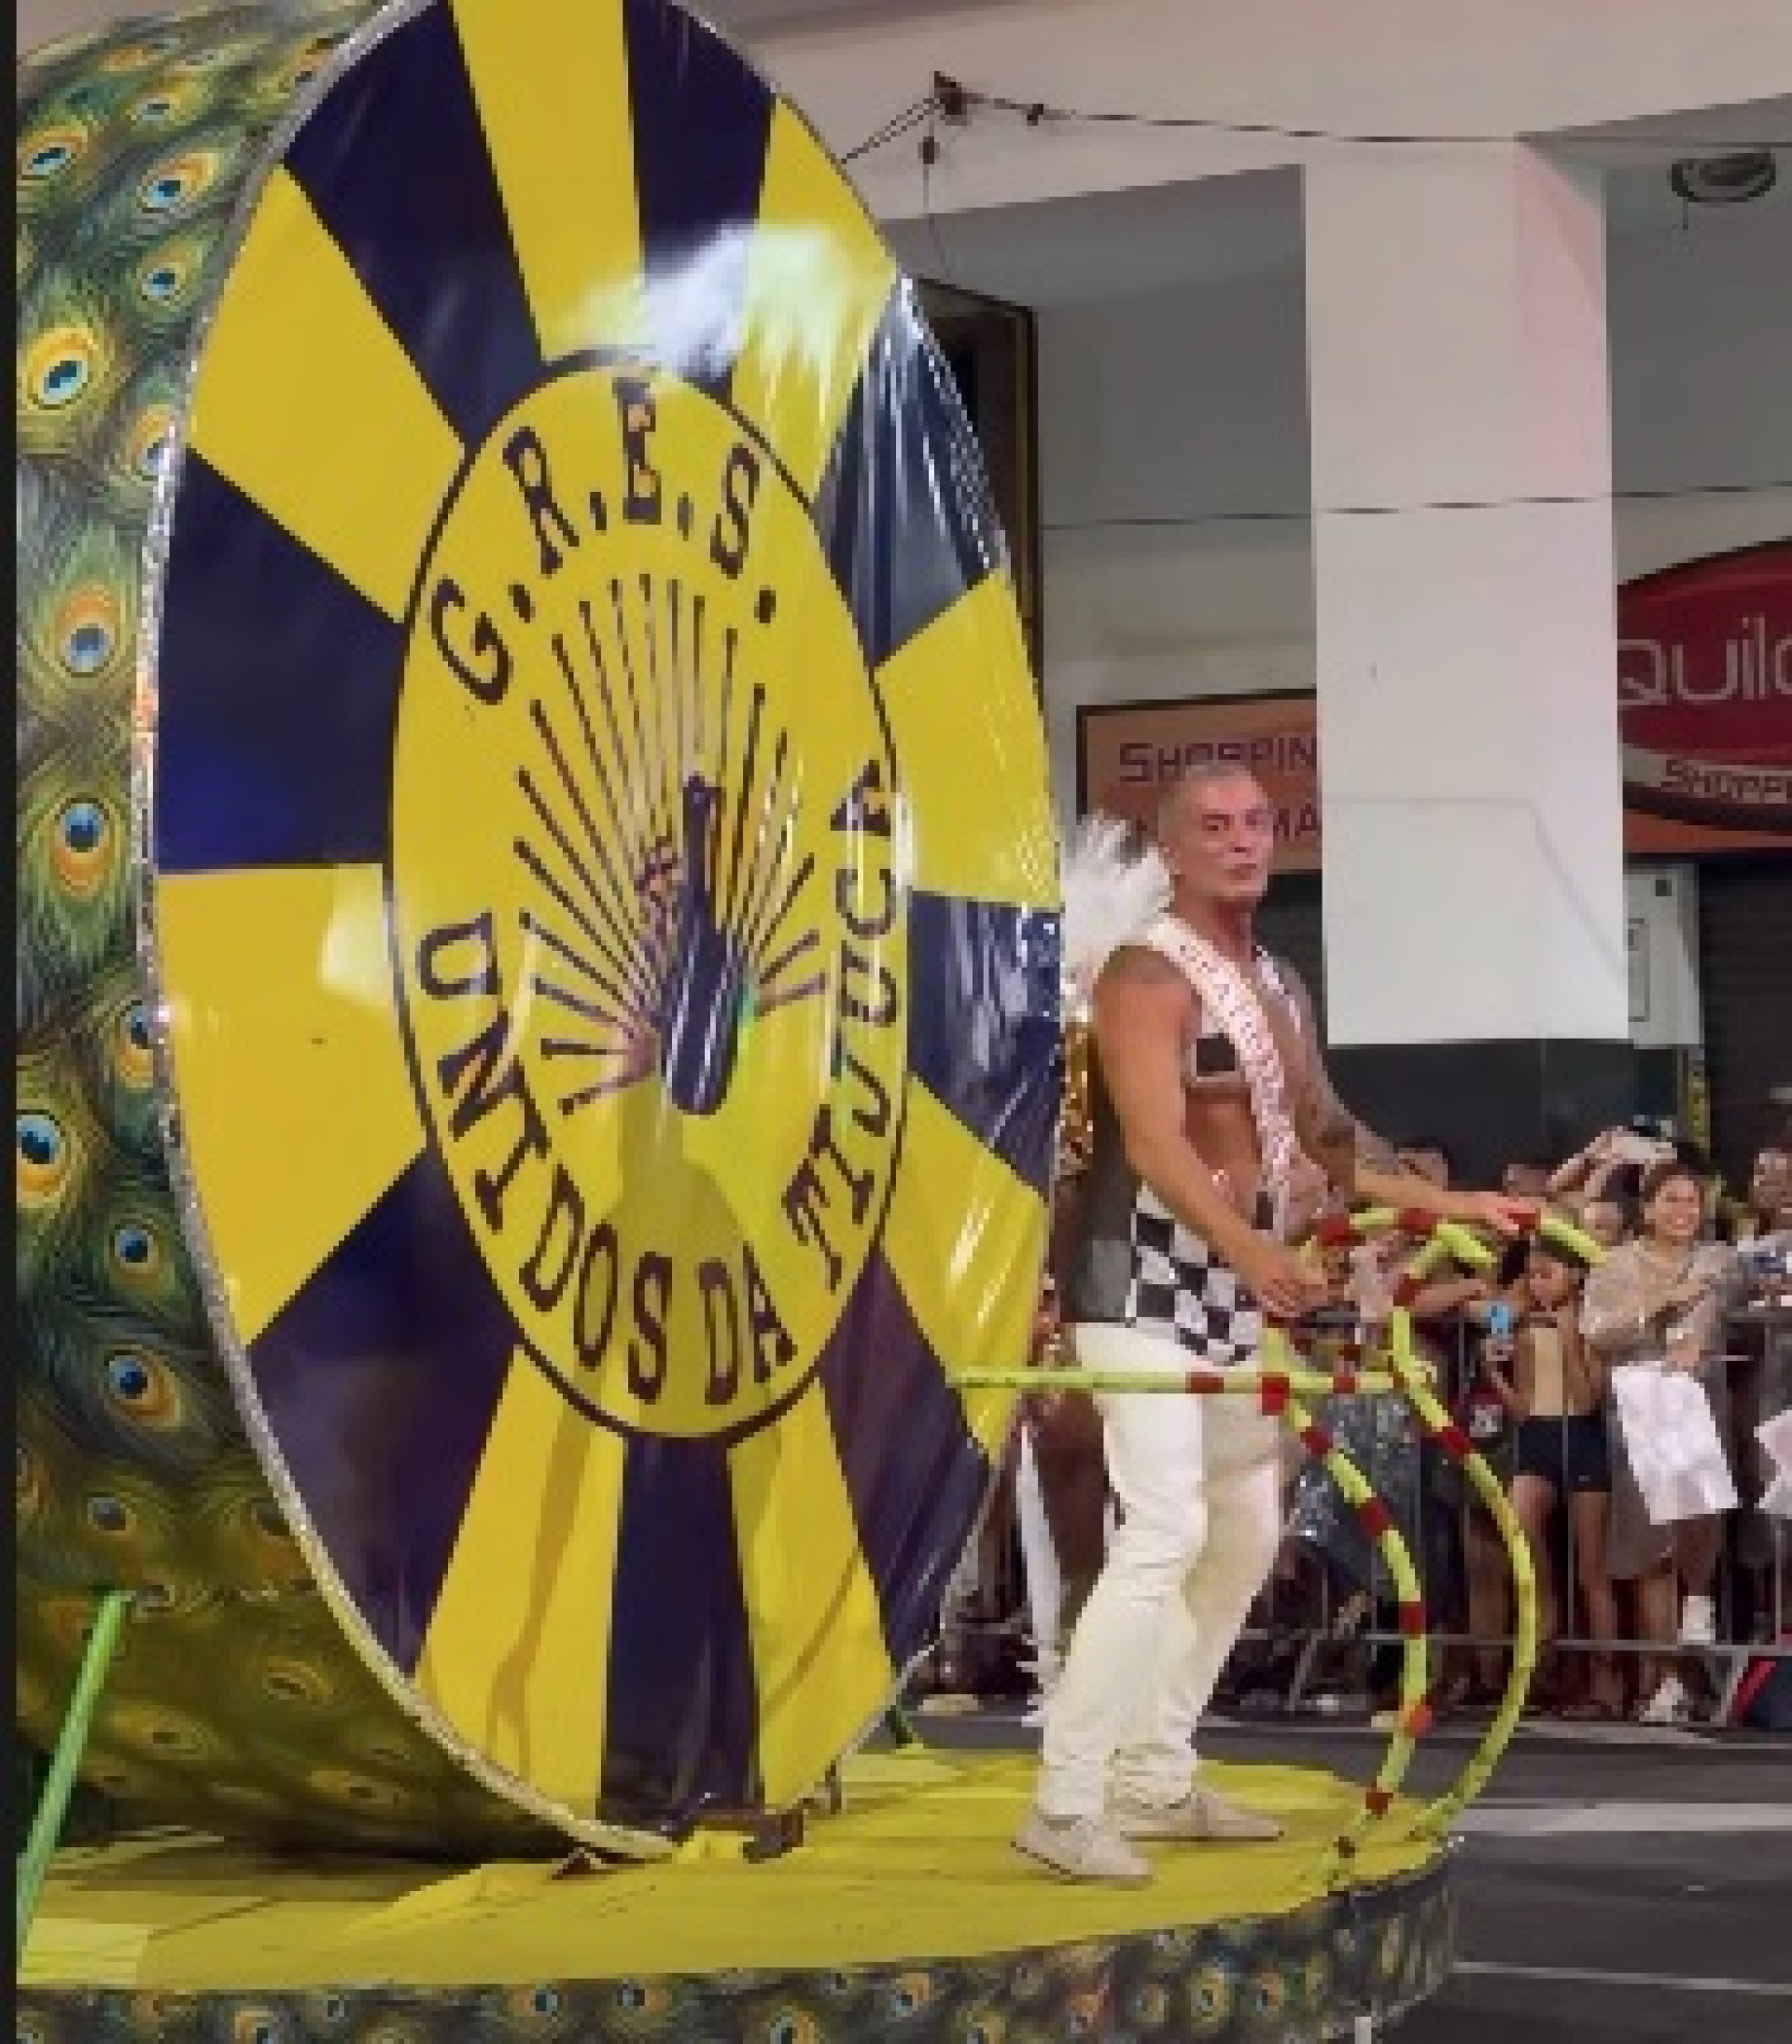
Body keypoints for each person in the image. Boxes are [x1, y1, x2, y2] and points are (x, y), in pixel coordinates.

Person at [1015, 764, 1528, 1883]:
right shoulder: (1147, 975)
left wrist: (1456, 1203)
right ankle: (1064, 1798)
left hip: (1231, 1292)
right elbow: (1152, 1141)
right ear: (1172, 848)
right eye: (1214, 826)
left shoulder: (1279, 985)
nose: (1242, 842)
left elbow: (1330, 1143)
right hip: (1133, 1281)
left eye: (1255, 823)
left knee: (1245, 1525)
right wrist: (1253, 1251)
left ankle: (1152, 1770)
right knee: (1163, 1528)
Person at [1581, 1156, 1742, 1724]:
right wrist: (1658, 1304)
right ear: (1646, 1209)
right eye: (1670, 1200)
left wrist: (1692, 1333)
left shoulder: (1717, 1258)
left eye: (1691, 1201)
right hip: (1639, 1402)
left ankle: (1697, 1605)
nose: (1683, 1211)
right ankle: (1663, 1676)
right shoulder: (1615, 1265)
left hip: (1699, 1400)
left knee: (1701, 1517)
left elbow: (1715, 1305)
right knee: (1652, 1543)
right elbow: (1597, 1330)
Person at [1482, 1237, 1623, 1717]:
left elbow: (1587, 1398)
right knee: (1519, 1531)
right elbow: (1520, 1408)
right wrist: (1495, 1369)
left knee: (1592, 1568)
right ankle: (1544, 1649)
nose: (1539, 1283)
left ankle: (1607, 1680)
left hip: (1582, 1434)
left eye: (1550, 1273)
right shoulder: (1515, 1321)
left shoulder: (1589, 1320)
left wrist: (1568, 1337)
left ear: (1575, 1276)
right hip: (1535, 1437)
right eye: (1533, 1274)